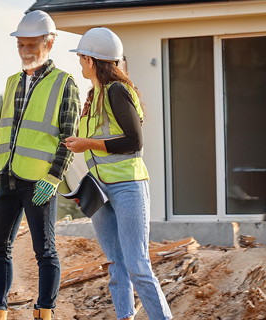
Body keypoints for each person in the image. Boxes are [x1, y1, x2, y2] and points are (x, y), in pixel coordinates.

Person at [65, 27, 172, 320]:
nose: (79, 62)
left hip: (128, 187)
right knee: (116, 263)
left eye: (81, 57)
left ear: (90, 59)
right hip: (99, 191)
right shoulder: (93, 95)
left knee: (137, 263)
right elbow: (96, 148)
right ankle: (125, 316)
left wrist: (87, 143)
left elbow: (133, 141)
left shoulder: (117, 91)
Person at [0, 10, 81, 320]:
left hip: (39, 182)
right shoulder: (12, 83)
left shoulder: (65, 84)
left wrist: (54, 177)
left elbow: (70, 138)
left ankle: (45, 313)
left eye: (31, 45)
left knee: (45, 252)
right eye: (20, 45)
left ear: (49, 43)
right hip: (7, 176)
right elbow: (3, 129)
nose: (25, 52)